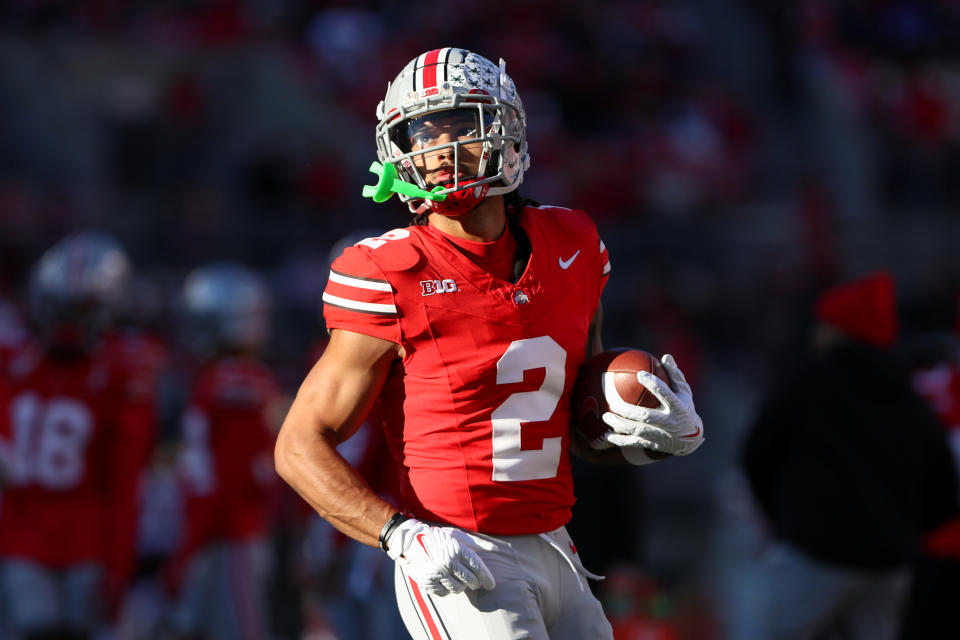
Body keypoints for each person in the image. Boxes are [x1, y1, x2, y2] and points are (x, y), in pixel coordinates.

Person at [274, 47, 704, 639]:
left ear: (509, 133)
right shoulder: (389, 270)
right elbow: (298, 445)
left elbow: (572, 427)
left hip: (558, 545)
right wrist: (401, 534)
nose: (442, 151)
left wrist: (652, 435)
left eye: (461, 127)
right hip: (458, 551)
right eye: (422, 135)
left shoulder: (572, 243)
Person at [740, 271, 959, 640]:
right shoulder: (907, 397)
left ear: (838, 330)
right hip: (889, 562)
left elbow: (756, 453)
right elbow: (943, 488)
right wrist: (903, 533)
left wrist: (785, 521)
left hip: (816, 554)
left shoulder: (808, 382)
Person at [0, 230, 157, 640]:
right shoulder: (119, 373)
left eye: (78, 311)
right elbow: (125, 483)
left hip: (60, 537)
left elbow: (125, 478)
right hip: (54, 535)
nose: (67, 325)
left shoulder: (18, 362)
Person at [167, 262, 285, 640]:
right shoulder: (251, 378)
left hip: (230, 533)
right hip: (228, 530)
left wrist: (190, 543)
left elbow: (225, 478)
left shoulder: (227, 383)